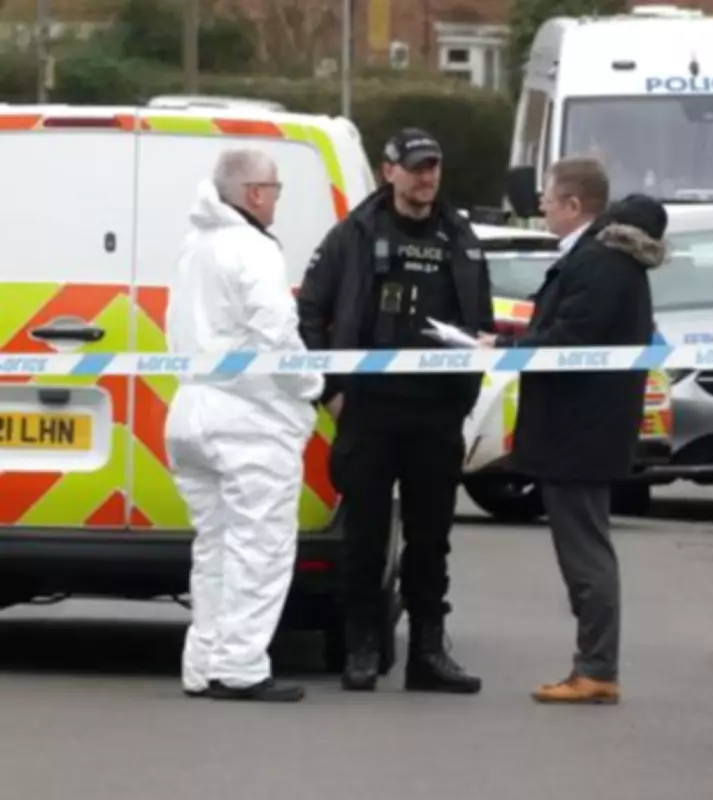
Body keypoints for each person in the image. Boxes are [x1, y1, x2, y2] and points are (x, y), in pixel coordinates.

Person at [296, 127, 494, 693]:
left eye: (433, 166)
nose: (426, 177)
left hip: (436, 412)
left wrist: (465, 393)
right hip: (370, 408)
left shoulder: (459, 235)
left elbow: (479, 321)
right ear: (390, 171)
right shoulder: (355, 234)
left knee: (432, 538)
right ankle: (363, 646)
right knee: (364, 533)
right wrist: (330, 388)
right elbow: (309, 313)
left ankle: (428, 652)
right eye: (415, 167)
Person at [478, 157, 668, 704]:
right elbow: (572, 329)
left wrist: (510, 348)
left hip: (580, 428)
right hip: (584, 426)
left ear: (573, 205)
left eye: (548, 198)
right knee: (584, 548)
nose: (540, 206)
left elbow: (571, 339)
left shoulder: (600, 262)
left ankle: (597, 669)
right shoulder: (598, 257)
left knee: (585, 552)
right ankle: (593, 666)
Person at [165, 149, 323, 702]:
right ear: (254, 194)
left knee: (215, 547)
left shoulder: (196, 246)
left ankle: (204, 664)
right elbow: (276, 332)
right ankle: (241, 668)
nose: (278, 197)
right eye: (275, 188)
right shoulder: (252, 249)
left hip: (192, 412)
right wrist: (309, 388)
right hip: (249, 419)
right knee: (260, 547)